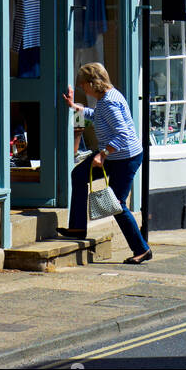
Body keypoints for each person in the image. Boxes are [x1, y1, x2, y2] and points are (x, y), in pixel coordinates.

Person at [59, 62, 151, 264]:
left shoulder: (109, 102)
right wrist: (75, 108)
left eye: (83, 84)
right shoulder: (105, 98)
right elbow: (97, 116)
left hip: (125, 158)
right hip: (112, 155)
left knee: (116, 204)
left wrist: (103, 154)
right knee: (79, 175)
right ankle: (77, 227)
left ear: (93, 82)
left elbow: (123, 135)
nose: (82, 87)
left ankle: (142, 249)